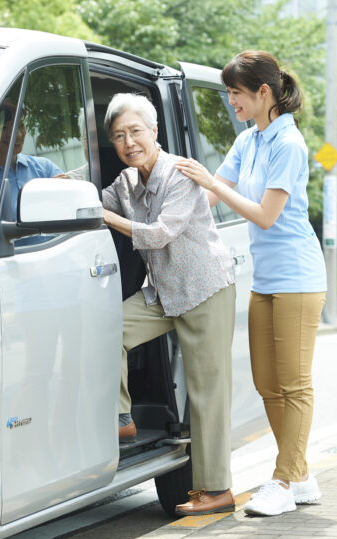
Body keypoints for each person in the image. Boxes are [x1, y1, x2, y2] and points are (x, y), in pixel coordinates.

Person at [176, 51, 327, 517]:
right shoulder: (249, 140)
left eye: (236, 93)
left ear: (264, 93)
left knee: (294, 384)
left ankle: (283, 481)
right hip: (266, 277)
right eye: (229, 93)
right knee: (267, 384)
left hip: (299, 276)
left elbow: (265, 213)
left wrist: (215, 187)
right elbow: (207, 189)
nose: (231, 101)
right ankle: (300, 476)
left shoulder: (289, 145)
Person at [101, 93, 237, 517]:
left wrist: (107, 217)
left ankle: (217, 491)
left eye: (135, 132)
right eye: (119, 136)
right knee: (109, 330)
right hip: (162, 294)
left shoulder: (181, 174)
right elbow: (92, 204)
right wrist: (66, 187)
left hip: (203, 289)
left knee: (206, 393)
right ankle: (123, 418)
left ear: (154, 131)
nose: (128, 143)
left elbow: (159, 234)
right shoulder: (125, 183)